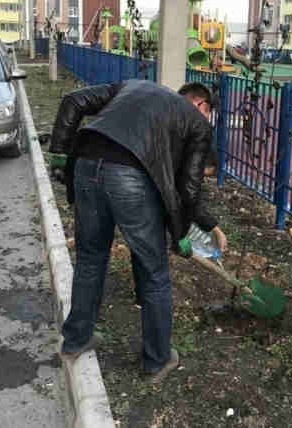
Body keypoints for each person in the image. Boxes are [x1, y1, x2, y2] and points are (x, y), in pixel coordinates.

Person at [48, 80, 228, 383]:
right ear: (201, 105)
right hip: (128, 180)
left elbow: (72, 101)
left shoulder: (133, 86)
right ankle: (157, 360)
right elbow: (189, 188)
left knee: (91, 258)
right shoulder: (197, 123)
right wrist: (180, 237)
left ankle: (76, 340)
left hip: (86, 165)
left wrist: (59, 154)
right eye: (209, 113)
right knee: (154, 273)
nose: (207, 119)